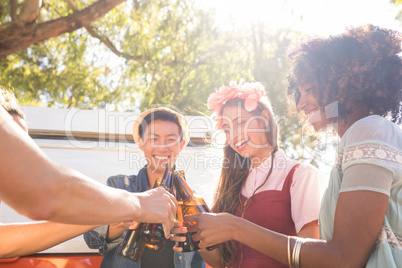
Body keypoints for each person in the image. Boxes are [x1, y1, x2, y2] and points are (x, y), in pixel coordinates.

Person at [185, 25, 402, 268]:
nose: (300, 105)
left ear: (343, 85)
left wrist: (236, 227)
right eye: (298, 93)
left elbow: (344, 258)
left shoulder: (369, 131)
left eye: (309, 90)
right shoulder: (354, 142)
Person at [0, 88, 178, 257]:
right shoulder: (120, 185)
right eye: (12, 140)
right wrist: (138, 204)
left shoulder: (189, 195)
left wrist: (121, 210)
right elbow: (47, 192)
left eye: (24, 141)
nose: (20, 154)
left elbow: (5, 242)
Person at [172, 81, 323, 267]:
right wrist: (197, 238)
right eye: (227, 129)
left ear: (265, 118)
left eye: (241, 123)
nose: (234, 135)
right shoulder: (231, 184)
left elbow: (311, 258)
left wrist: (236, 228)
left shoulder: (300, 175)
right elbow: (220, 262)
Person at [84, 107, 205, 268]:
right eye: (154, 139)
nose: (162, 147)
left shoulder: (191, 200)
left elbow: (197, 262)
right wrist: (124, 221)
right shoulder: (120, 187)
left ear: (181, 145)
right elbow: (92, 238)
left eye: (170, 139)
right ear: (140, 142)